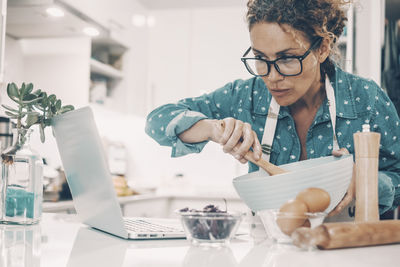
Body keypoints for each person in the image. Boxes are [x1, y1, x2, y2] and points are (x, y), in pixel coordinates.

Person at [145, 0, 400, 216]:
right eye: (260, 58)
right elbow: (157, 121)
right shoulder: (248, 96)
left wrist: (369, 182)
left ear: (322, 49)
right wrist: (211, 128)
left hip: (347, 251)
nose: (271, 76)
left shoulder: (366, 99)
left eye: (287, 58)